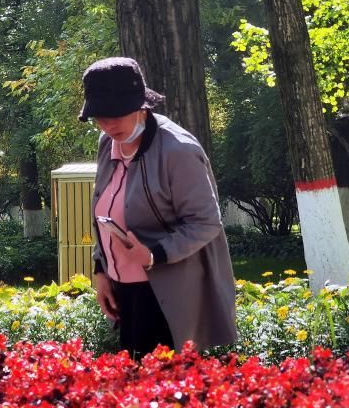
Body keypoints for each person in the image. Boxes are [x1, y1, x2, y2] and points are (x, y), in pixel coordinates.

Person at [79, 56, 236, 358]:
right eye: (99, 116)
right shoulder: (107, 142)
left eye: (115, 114)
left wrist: (154, 254)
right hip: (126, 290)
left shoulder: (178, 150)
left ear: (140, 107)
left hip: (169, 293)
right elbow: (105, 209)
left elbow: (206, 222)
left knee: (165, 393)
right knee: (135, 390)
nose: (107, 125)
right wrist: (101, 270)